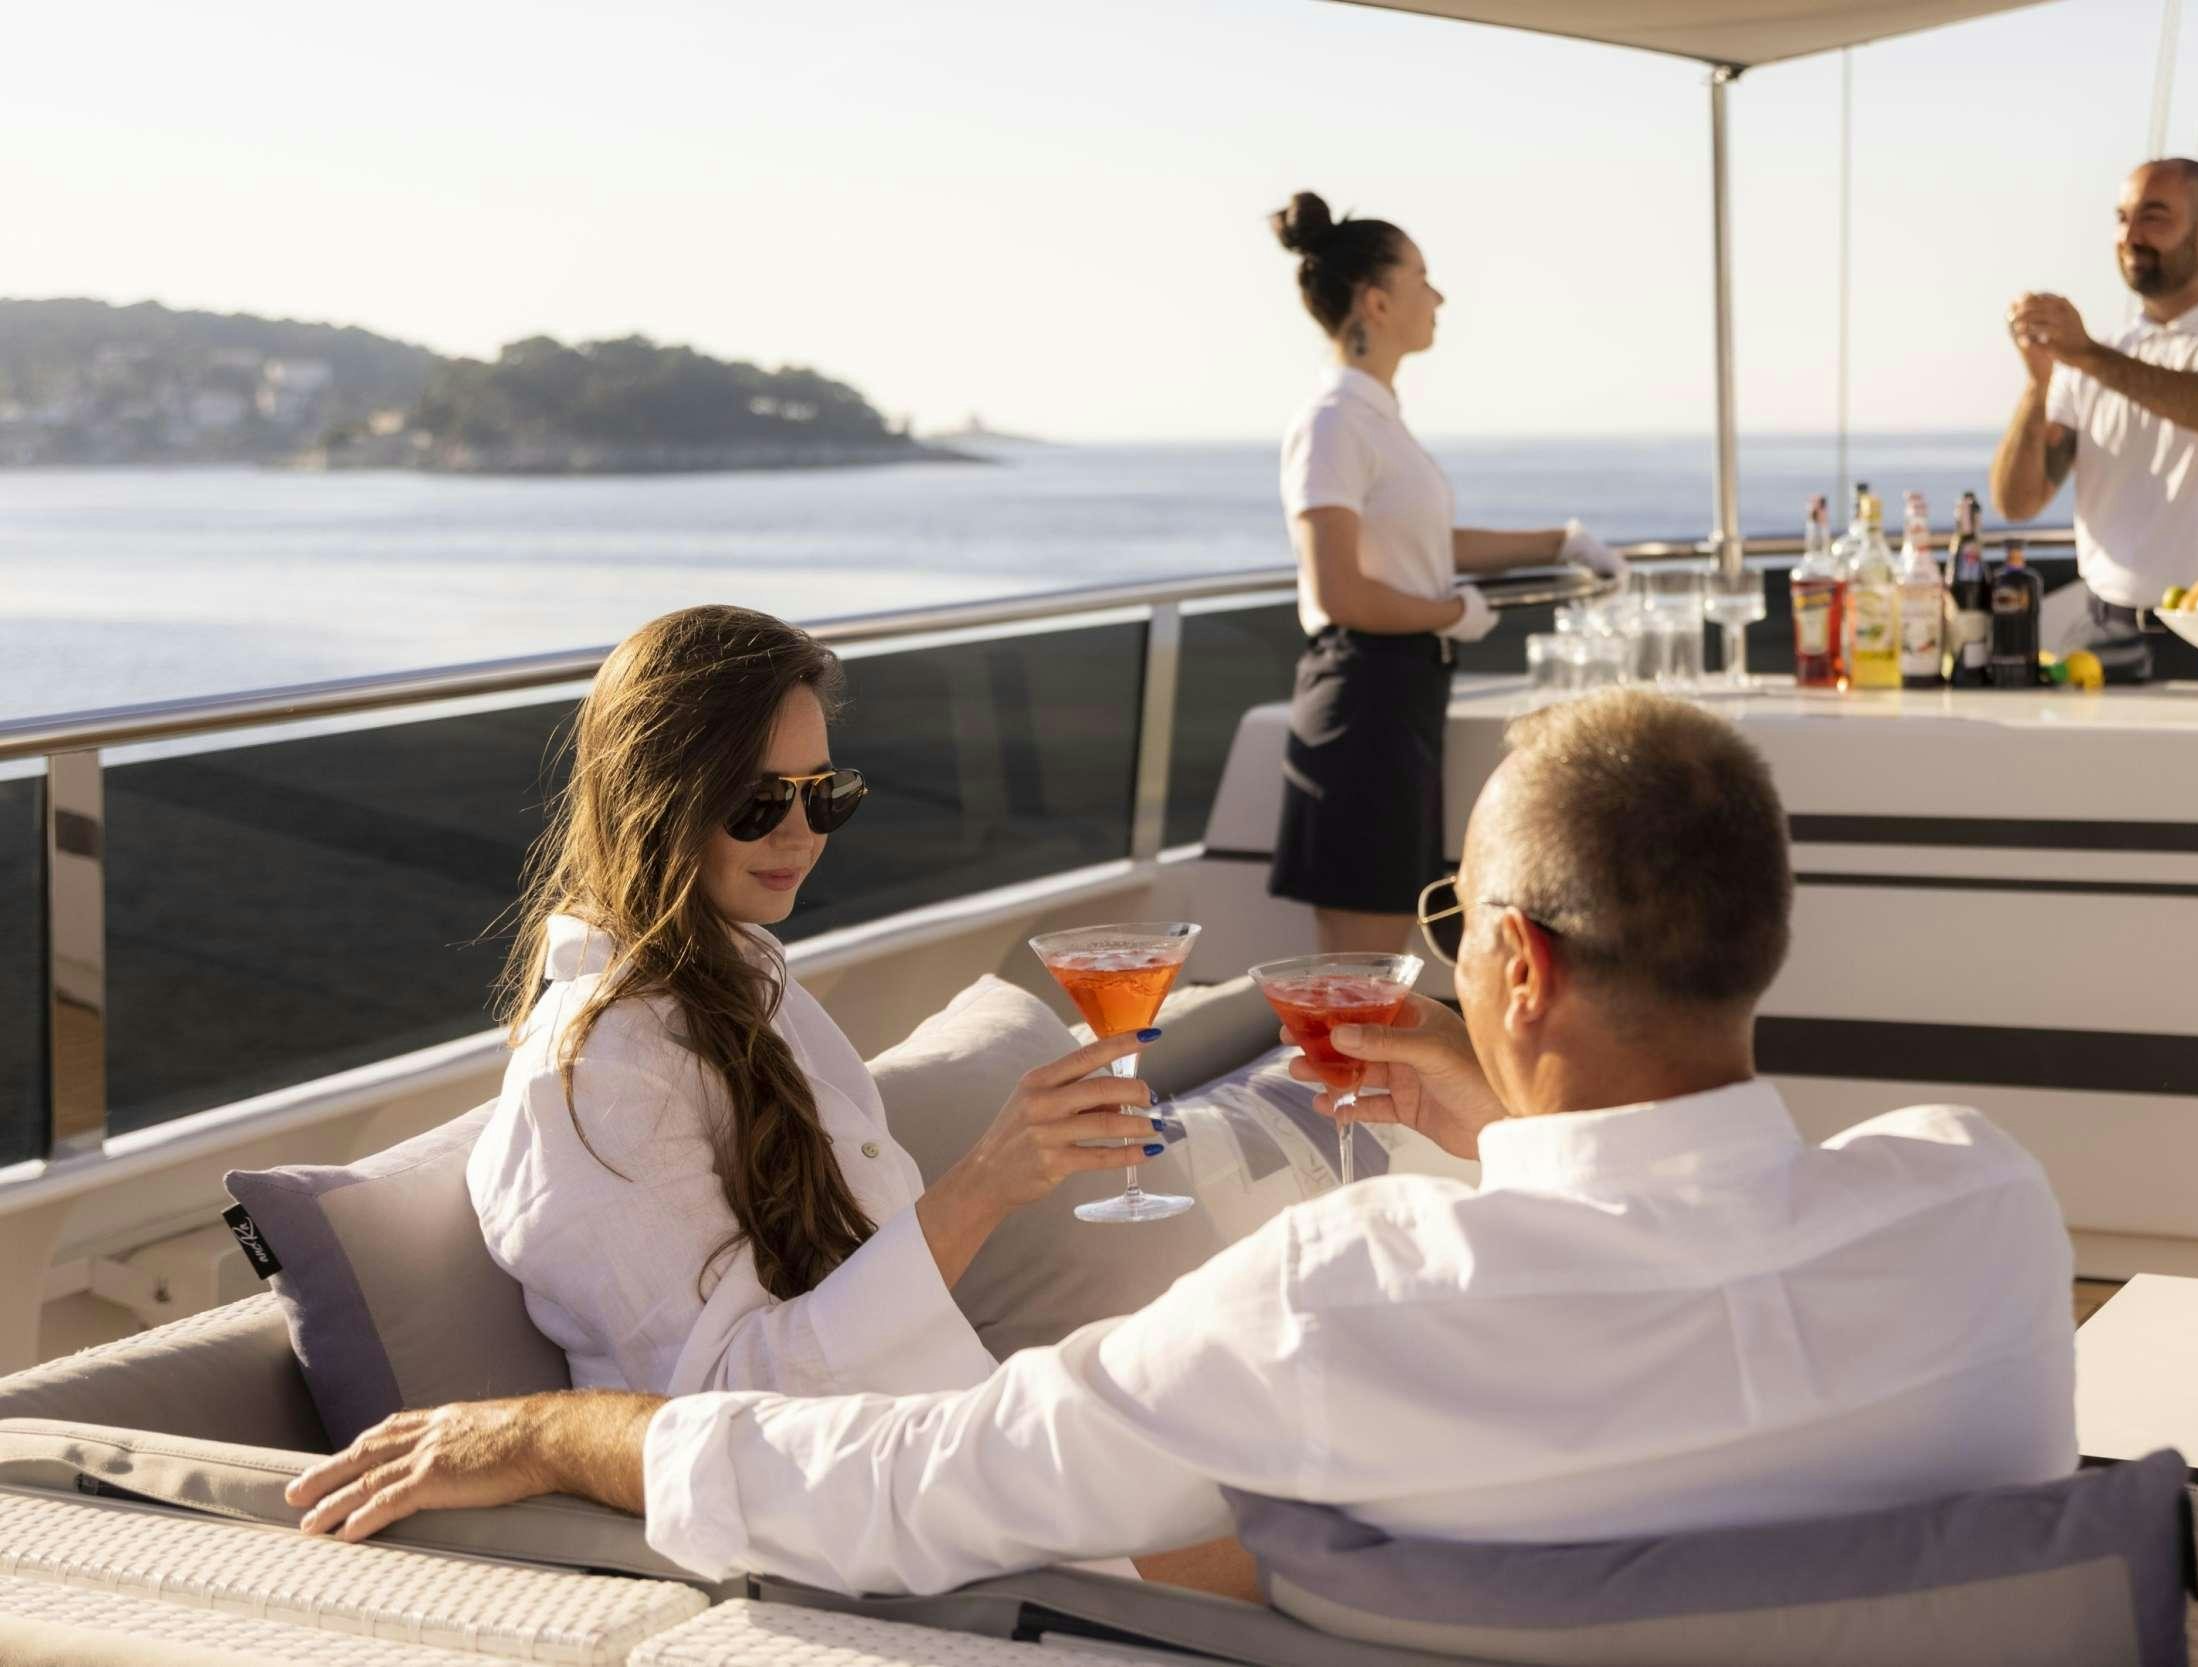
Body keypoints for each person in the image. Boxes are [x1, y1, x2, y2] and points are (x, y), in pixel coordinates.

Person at [291, 690, 2077, 1598]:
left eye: (1458, 924)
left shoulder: (1341, 1305)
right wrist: (1509, 1129)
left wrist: (548, 1425)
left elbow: (899, 1487)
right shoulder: (1983, 1209)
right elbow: (1683, 1263)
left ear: (1516, 967)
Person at [466, 605, 1166, 1403]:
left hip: (947, 1424)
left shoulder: (751, 985)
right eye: (758, 800)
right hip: (865, 1467)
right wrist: (984, 1185)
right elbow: (725, 1391)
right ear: (653, 802)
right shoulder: (602, 1070)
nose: (801, 835)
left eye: (823, 793)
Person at [1267, 191, 1623, 955]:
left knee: (1378, 958)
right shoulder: (1332, 422)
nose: (1439, 297)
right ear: (1376, 300)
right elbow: (1339, 592)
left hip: (1399, 697)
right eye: (1422, 278)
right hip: (1364, 699)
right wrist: (1452, 614)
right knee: (1362, 967)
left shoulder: (1373, 420)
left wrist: (1559, 542)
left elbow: (1427, 546)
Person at [1989, 158, 2198, 682]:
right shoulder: (2089, 359)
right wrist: (2039, 382)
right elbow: (2017, 501)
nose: (2130, 236)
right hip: (2103, 636)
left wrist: (2086, 354)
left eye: (2153, 217)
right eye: (2122, 218)